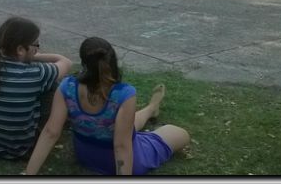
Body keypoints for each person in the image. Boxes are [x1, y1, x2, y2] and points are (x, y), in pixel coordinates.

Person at [25, 37, 190, 175]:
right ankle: (151, 108)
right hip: (125, 160)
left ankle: (151, 108)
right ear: (112, 61)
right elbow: (121, 146)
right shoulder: (124, 93)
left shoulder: (67, 86)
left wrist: (28, 174)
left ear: (83, 63)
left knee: (126, 125)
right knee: (180, 133)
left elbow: (50, 132)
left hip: (86, 154)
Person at [0, 17, 72, 159]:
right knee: (54, 85)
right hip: (20, 150)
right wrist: (36, 57)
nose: (37, 50)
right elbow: (65, 62)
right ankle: (57, 124)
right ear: (20, 49)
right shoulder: (37, 74)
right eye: (36, 45)